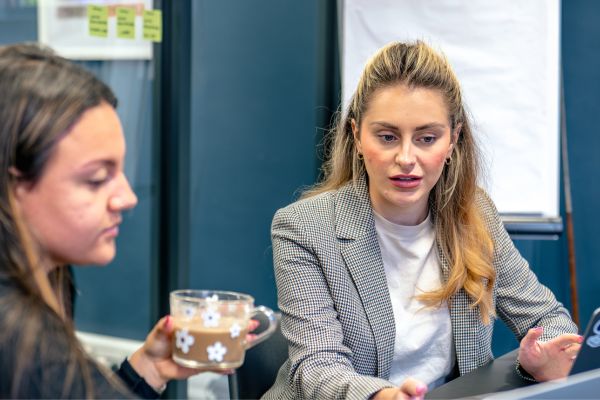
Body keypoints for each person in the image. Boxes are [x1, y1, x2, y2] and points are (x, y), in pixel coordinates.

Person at [263, 41, 581, 400]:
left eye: (427, 138)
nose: (406, 158)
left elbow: (548, 318)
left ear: (452, 140)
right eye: (387, 137)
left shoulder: (476, 214)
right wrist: (382, 396)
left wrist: (541, 360)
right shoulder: (303, 227)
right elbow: (318, 367)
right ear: (356, 136)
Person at [0, 43, 248, 398]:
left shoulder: (50, 283)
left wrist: (146, 369)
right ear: (13, 183)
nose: (127, 197)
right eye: (97, 178)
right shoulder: (24, 347)